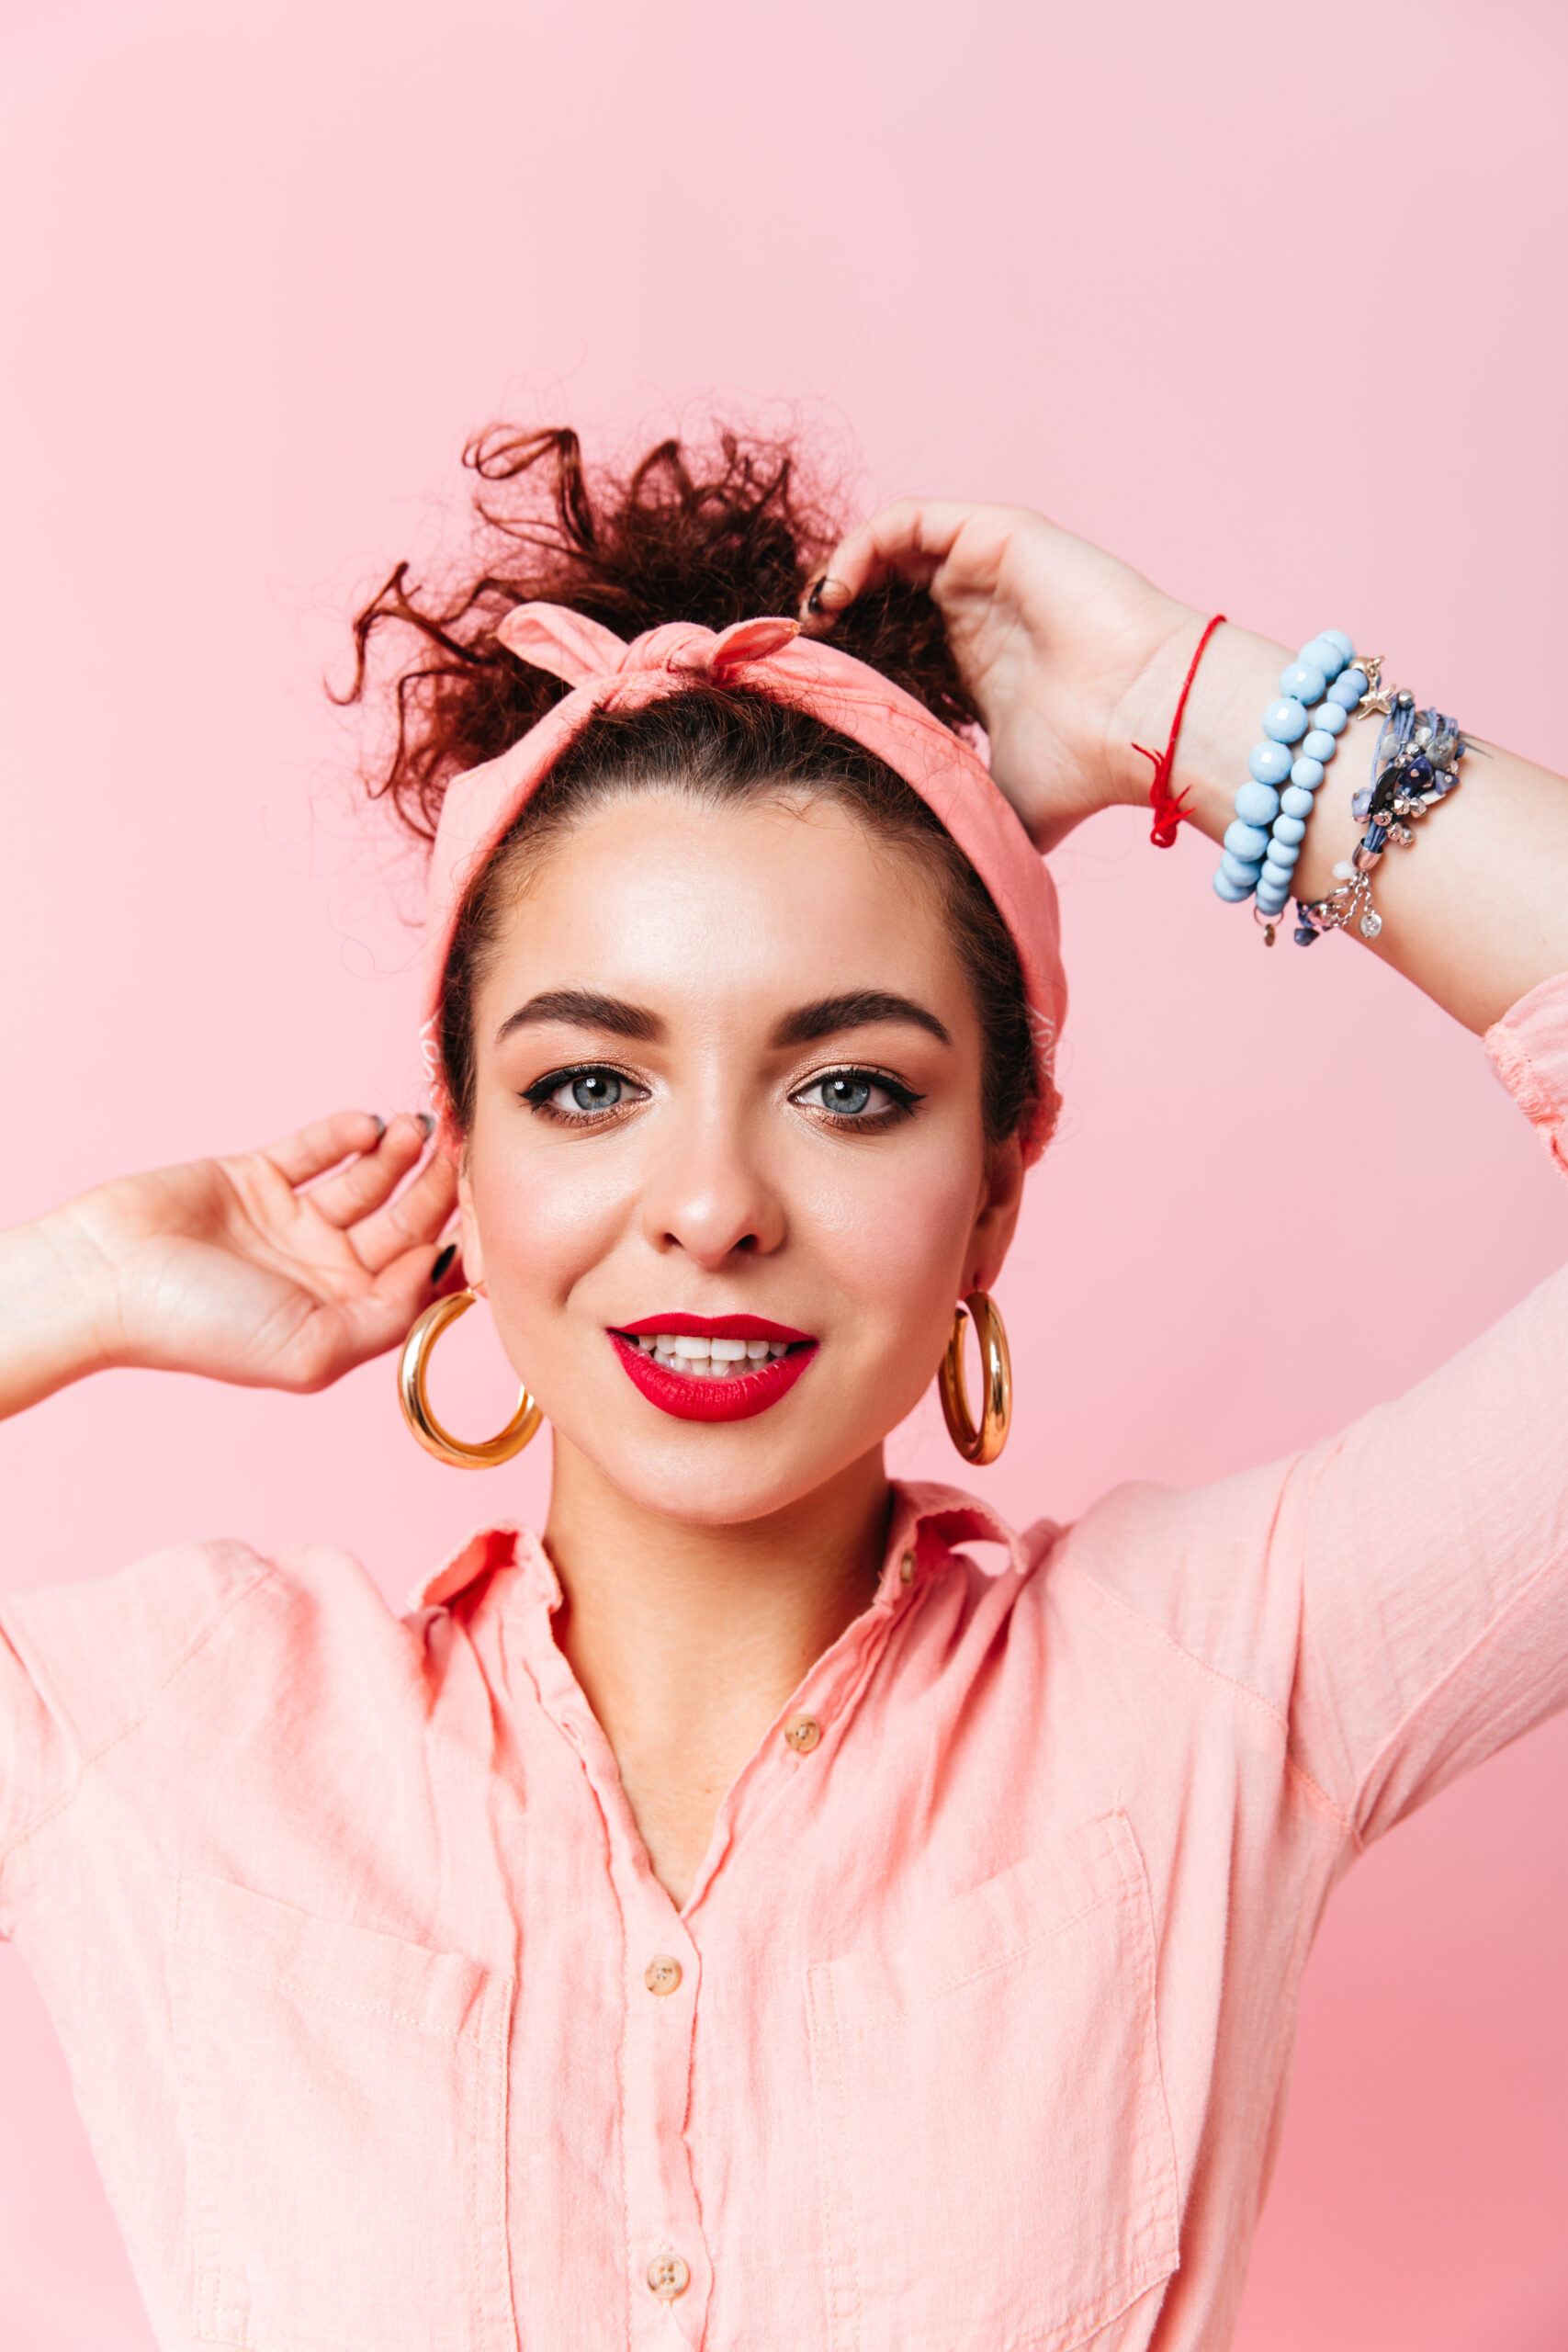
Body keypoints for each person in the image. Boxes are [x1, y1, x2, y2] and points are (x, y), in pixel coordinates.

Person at [2, 424, 1566, 2352]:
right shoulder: (172, 1729)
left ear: (996, 1181)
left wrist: (1192, 710)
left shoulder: (1211, 1678)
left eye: (847, 1087)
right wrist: (52, 1289)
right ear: (467, 1165)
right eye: (589, 1083)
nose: (715, 1206)